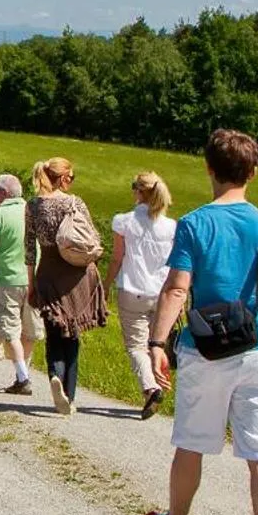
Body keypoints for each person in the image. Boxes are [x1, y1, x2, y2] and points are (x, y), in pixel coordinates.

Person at [142, 130, 258, 515]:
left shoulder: (194, 223)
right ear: (253, 172)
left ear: (208, 168)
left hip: (206, 349)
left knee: (192, 441)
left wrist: (157, 341)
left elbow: (176, 288)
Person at [25, 157, 107, 416]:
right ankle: (69, 396)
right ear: (61, 178)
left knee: (53, 331)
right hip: (75, 274)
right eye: (70, 177)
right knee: (72, 334)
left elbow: (29, 250)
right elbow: (94, 238)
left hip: (47, 270)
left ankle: (54, 374)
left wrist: (31, 284)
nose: (71, 182)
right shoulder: (74, 203)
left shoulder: (33, 205)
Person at [112, 172, 177, 420]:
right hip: (161, 292)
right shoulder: (171, 227)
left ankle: (151, 387)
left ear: (138, 191)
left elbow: (118, 258)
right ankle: (157, 386)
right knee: (156, 343)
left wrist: (107, 282)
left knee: (136, 346)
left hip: (132, 289)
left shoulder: (123, 222)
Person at [0, 173, 40, 394]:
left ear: (3, 193)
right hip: (34, 279)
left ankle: (23, 376)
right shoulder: (33, 212)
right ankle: (23, 372)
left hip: (8, 279)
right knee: (29, 330)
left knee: (9, 328)